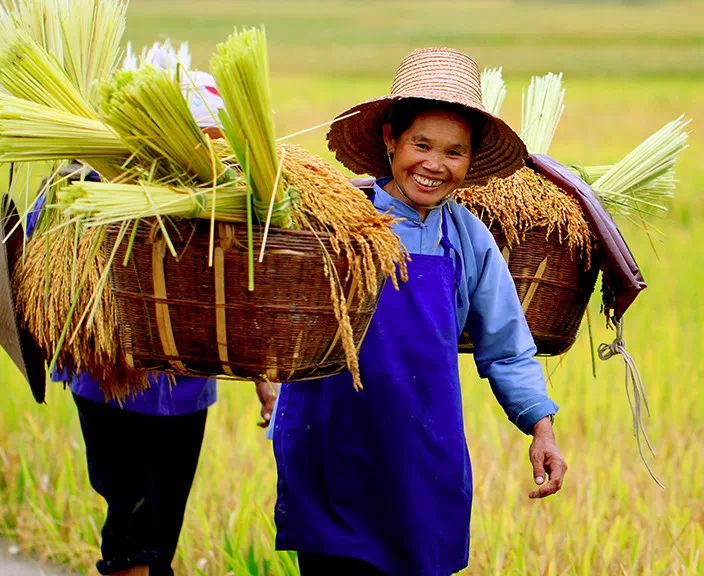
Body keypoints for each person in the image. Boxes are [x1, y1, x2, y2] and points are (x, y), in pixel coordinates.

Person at [269, 47, 568, 576]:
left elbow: (506, 346)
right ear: (390, 139)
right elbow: (278, 307)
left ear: (470, 161)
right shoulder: (337, 217)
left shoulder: (467, 240)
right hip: (332, 446)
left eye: (454, 152)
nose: (434, 165)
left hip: (419, 453)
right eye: (420, 144)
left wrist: (540, 427)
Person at [28, 68, 276, 576]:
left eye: (214, 144)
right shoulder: (96, 187)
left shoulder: (226, 203)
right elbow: (37, 256)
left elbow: (246, 294)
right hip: (110, 384)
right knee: (130, 516)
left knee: (162, 524)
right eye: (195, 141)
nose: (204, 155)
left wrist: (263, 379)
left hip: (188, 391)